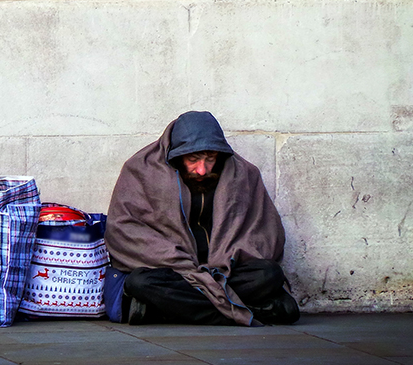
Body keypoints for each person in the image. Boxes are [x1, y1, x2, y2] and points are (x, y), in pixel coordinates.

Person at [104, 111, 299, 326]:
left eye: (210, 159)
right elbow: (124, 230)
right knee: (140, 282)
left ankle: (170, 312)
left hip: (226, 273)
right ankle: (249, 313)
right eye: (193, 160)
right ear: (176, 155)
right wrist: (176, 259)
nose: (202, 169)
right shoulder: (140, 171)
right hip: (174, 272)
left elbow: (265, 232)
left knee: (269, 274)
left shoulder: (244, 174)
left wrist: (229, 256)